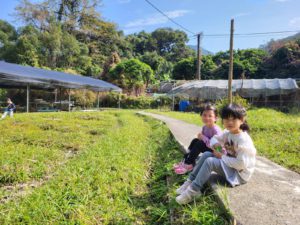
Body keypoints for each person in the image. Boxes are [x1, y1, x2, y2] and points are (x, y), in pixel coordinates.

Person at [176, 103, 256, 205]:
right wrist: (217, 145)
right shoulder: (229, 133)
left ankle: (193, 191)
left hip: (239, 174)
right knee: (206, 154)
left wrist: (222, 156)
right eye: (226, 119)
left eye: (233, 119)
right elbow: (214, 139)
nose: (229, 122)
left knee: (210, 161)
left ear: (242, 119)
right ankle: (189, 182)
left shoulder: (243, 140)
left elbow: (241, 164)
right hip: (231, 165)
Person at [174, 104, 223, 174]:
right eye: (204, 115)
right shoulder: (205, 127)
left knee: (200, 143)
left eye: (210, 116)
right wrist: (201, 137)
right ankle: (186, 160)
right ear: (201, 116)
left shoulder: (216, 130)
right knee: (195, 141)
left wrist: (203, 137)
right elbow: (202, 138)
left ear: (216, 118)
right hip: (208, 148)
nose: (207, 118)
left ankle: (189, 164)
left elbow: (218, 147)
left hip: (216, 152)